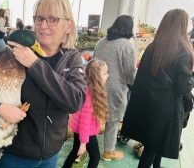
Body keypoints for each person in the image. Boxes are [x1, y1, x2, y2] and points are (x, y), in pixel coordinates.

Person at [0, 0, 86, 168]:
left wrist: (35, 64)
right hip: (14, 155)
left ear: (68, 25)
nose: (44, 26)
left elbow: (74, 102)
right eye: (39, 18)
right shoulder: (11, 54)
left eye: (53, 19)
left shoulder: (72, 59)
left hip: (50, 156)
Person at [121, 9, 194, 168]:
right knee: (153, 148)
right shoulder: (183, 50)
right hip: (166, 108)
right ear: (182, 26)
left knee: (154, 145)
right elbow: (183, 87)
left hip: (148, 104)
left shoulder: (152, 47)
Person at [93, 15, 137, 161]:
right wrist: (134, 85)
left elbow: (93, 63)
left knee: (93, 117)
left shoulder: (101, 42)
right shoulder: (127, 45)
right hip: (115, 88)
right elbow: (130, 72)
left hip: (96, 85)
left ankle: (84, 147)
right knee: (112, 120)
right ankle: (109, 151)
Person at [62, 59, 109, 168]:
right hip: (86, 132)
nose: (108, 75)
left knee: (75, 151)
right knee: (95, 156)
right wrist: (84, 143)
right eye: (105, 73)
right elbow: (85, 121)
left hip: (81, 130)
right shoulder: (90, 97)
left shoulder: (88, 89)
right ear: (97, 76)